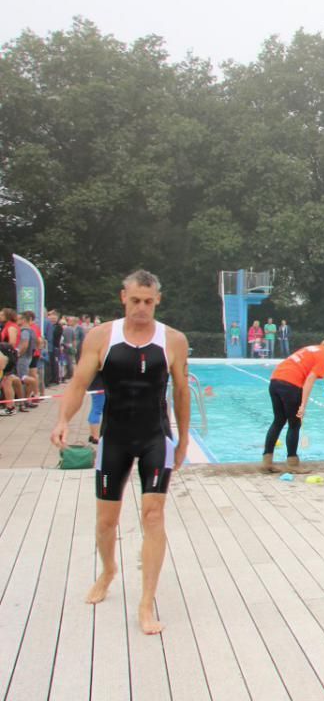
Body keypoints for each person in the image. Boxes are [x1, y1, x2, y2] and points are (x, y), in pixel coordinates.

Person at [49, 269, 190, 636]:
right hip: (114, 439)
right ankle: (109, 570)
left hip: (155, 436)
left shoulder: (173, 340)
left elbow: (181, 391)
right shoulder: (101, 336)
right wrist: (63, 420)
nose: (141, 307)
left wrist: (184, 439)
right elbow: (78, 384)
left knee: (153, 516)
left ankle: (146, 602)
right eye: (135, 300)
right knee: (106, 522)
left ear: (157, 301)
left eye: (148, 301)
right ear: (123, 297)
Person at [262, 333, 324, 473]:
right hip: (290, 384)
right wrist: (303, 405)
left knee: (278, 421)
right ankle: (292, 464)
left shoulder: (313, 349)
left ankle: (267, 461)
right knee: (294, 424)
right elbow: (309, 380)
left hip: (275, 381)